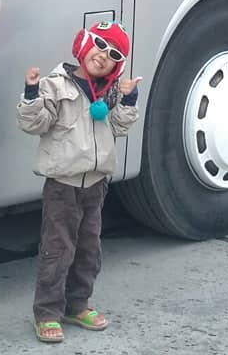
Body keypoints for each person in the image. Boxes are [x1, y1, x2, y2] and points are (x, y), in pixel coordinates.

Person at [17, 20, 142, 344]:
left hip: (96, 184)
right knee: (58, 249)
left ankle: (77, 305)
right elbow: (35, 124)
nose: (104, 56)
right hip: (63, 184)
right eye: (100, 45)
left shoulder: (108, 91)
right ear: (84, 45)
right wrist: (31, 93)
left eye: (114, 54)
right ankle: (47, 311)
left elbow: (117, 127)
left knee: (89, 249)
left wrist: (128, 100)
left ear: (117, 66)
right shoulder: (56, 85)